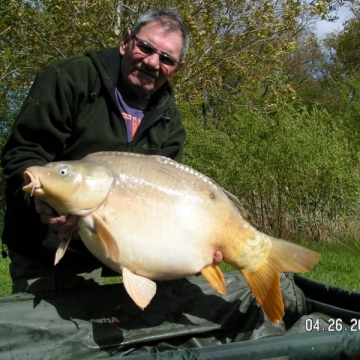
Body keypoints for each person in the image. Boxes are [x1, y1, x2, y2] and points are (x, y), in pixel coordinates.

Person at [1, 7, 190, 293]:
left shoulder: (169, 118)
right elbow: (22, 153)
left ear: (177, 67)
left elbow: (163, 199)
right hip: (47, 250)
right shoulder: (70, 79)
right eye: (145, 47)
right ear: (126, 41)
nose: (153, 62)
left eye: (166, 58)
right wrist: (40, 204)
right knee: (54, 335)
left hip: (126, 252)